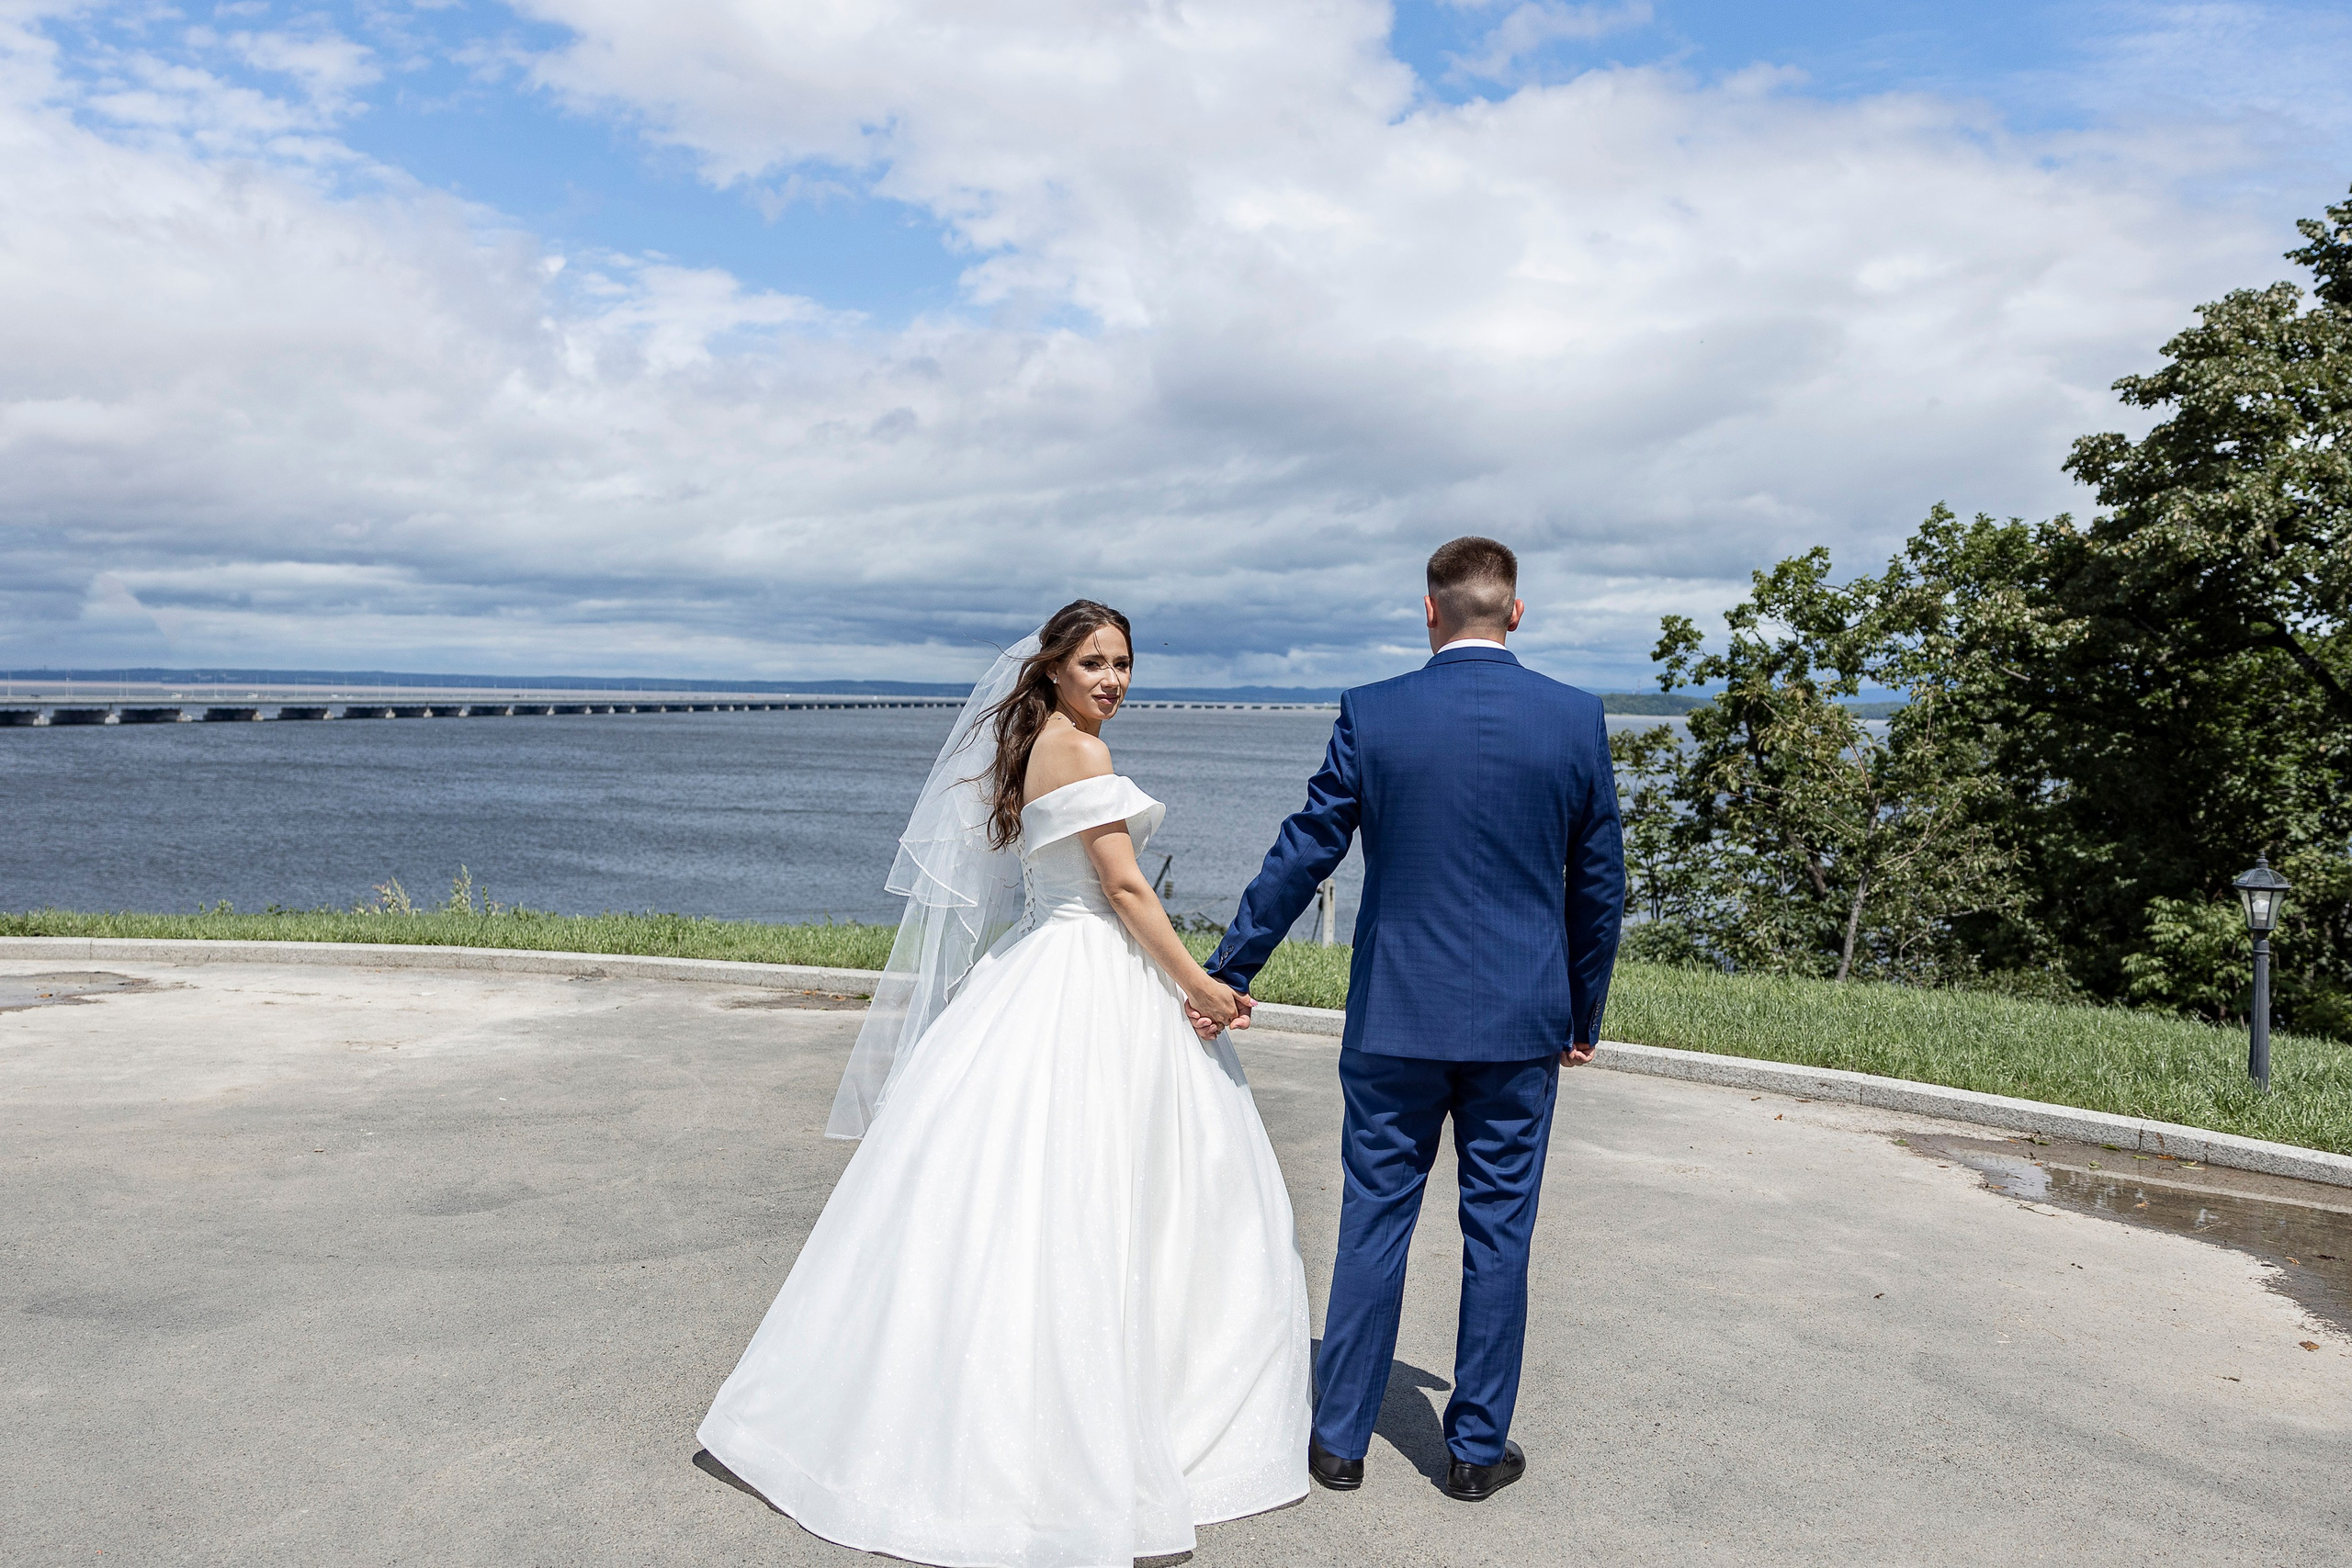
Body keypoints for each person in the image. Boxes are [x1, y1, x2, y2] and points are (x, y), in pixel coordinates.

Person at [696, 600, 1310, 1568]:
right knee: (1114, 1192)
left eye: (1122, 663)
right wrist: (1202, 984)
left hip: (1034, 965)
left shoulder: (1034, 746)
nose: (1111, 678)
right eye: (1093, 663)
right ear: (1054, 669)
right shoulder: (1084, 755)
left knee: (1009, 1192)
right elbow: (1122, 888)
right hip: (1086, 971)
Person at [1196, 536, 1624, 1503]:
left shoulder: (1374, 712)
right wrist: (1580, 1009)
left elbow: (1305, 850)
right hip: (1521, 1020)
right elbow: (1598, 886)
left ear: (1427, 610)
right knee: (1498, 1231)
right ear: (1515, 612)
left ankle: (1338, 1441)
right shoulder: (1572, 718)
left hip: (1395, 1013)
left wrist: (1231, 970)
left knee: (1374, 1222)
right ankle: (1473, 1455)